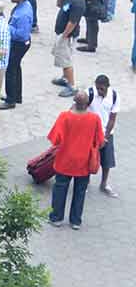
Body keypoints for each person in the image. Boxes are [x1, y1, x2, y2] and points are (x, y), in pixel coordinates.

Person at [46, 88, 105, 228]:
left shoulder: (64, 116)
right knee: (80, 192)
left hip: (64, 161)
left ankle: (56, 218)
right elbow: (100, 142)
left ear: (74, 101)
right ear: (87, 103)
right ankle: (75, 221)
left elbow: (55, 139)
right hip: (84, 162)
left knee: (60, 189)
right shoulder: (94, 118)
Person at [3, 0, 35, 109]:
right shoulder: (24, 5)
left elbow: (21, 34)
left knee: (11, 70)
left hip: (19, 44)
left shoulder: (23, 14)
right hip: (18, 43)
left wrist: (7, 27)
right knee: (16, 67)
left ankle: (11, 100)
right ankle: (16, 95)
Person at [92, 72, 119, 197]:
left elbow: (112, 119)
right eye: (97, 88)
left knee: (107, 162)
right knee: (87, 159)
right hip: (90, 133)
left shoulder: (114, 96)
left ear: (108, 86)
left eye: (101, 89)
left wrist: (105, 137)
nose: (98, 91)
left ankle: (104, 184)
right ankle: (84, 182)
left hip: (106, 133)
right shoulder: (90, 93)